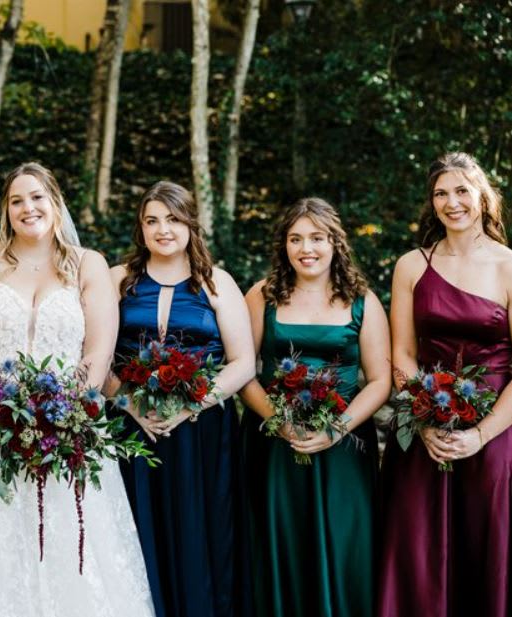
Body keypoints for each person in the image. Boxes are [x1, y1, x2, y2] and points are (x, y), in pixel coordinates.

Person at [0, 162, 155, 617]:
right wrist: (6, 412)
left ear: (55, 202)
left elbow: (97, 353)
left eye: (36, 197)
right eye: (16, 200)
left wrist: (62, 416)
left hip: (70, 428)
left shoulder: (88, 264)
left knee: (72, 551)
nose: (27, 208)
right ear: (6, 210)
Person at [110, 180, 256, 617]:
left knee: (202, 533)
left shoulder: (216, 282)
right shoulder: (117, 280)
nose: (163, 230)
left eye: (173, 219)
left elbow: (243, 363)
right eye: (152, 220)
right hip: (132, 428)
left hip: (202, 429)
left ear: (191, 224)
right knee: (139, 531)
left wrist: (192, 404)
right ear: (140, 228)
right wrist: (132, 405)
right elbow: (96, 358)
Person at [239, 197, 390, 616]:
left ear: (335, 242)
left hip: (345, 446)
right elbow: (244, 373)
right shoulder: (262, 296)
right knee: (280, 543)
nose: (306, 248)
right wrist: (280, 421)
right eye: (296, 239)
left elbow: (381, 380)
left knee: (345, 545)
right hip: (275, 444)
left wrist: (336, 428)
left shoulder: (362, 301)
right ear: (284, 245)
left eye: (317, 238)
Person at [378, 152, 512, 617]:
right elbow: (402, 353)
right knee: (418, 551)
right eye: (440, 193)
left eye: (461, 191)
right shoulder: (412, 265)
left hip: (496, 429)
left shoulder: (508, 265)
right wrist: (424, 418)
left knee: (486, 547)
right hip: (424, 430)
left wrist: (480, 435)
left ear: (482, 197)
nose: (452, 202)